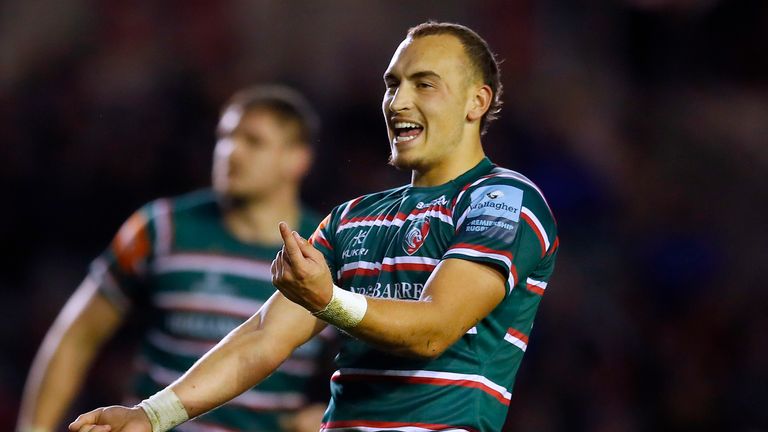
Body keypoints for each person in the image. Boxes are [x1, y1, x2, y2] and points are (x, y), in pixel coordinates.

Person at [69, 21, 559, 432]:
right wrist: (151, 415)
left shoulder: (503, 200)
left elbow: (434, 329)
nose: (396, 102)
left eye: (423, 84)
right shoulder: (353, 217)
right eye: (392, 84)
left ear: (477, 101)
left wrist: (328, 300)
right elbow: (264, 336)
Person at [18, 85, 335, 432]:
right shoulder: (162, 229)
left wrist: (329, 415)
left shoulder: (321, 252)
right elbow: (76, 337)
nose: (231, 152)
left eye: (253, 141)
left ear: (297, 159)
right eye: (225, 137)